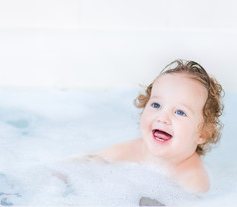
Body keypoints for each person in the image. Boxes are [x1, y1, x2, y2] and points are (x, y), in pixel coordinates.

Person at [96, 59, 224, 194]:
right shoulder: (132, 149)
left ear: (202, 133)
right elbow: (90, 164)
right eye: (156, 105)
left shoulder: (193, 179)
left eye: (180, 112)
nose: (162, 118)